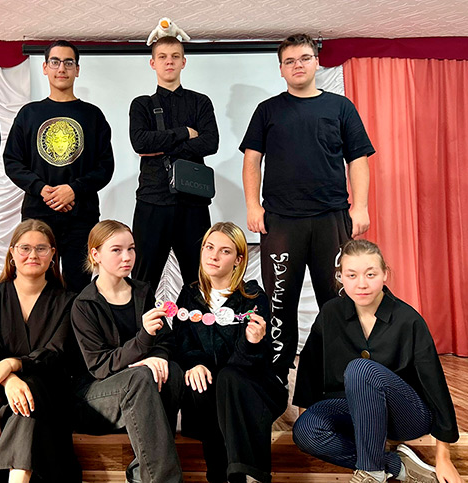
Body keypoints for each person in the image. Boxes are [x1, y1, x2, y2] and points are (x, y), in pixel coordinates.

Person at [239, 33, 375, 377]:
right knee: (279, 301)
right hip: (281, 221)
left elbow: (358, 159)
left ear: (316, 62)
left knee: (338, 298)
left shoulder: (340, 107)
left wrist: (360, 207)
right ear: (281, 69)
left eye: (303, 58)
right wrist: (253, 206)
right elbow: (252, 160)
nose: (297, 65)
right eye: (289, 61)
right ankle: (277, 374)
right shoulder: (267, 110)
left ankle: (342, 373)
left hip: (332, 217)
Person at [292, 239, 462, 483]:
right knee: (306, 430)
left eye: (370, 274)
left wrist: (443, 457)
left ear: (384, 274)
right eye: (351, 275)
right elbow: (309, 373)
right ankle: (398, 466)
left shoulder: (408, 320)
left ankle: (371, 473)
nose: (361, 284)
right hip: (353, 412)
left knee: (361, 369)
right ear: (341, 277)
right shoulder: (330, 314)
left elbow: (435, 387)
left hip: (404, 417)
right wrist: (312, 418)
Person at [0, 219, 81, 483]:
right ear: (12, 252)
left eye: (41, 248)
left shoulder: (69, 301)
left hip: (48, 390)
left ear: (53, 255)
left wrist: (11, 364)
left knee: (29, 395)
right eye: (25, 248)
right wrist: (8, 379)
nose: (33, 255)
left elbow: (56, 353)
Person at [173, 222, 287, 483]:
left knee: (228, 377)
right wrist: (195, 363)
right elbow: (182, 342)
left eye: (224, 251)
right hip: (211, 392)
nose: (213, 256)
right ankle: (221, 474)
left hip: (249, 386)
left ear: (238, 260)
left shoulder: (253, 297)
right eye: (209, 247)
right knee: (201, 382)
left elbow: (259, 361)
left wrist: (251, 343)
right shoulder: (188, 295)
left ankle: (244, 475)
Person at [71, 220, 183, 483]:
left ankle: (142, 473)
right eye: (116, 250)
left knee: (171, 371)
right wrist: (143, 343)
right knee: (141, 376)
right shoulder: (84, 304)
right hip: (95, 400)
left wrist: (158, 356)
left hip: (138, 393)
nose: (127, 257)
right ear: (95, 254)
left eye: (131, 249)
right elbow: (99, 366)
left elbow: (165, 340)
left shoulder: (142, 291)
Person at [4, 40, 114, 294]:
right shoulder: (29, 114)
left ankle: (77, 323)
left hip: (81, 215)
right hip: (38, 215)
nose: (61, 68)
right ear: (45, 68)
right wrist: (42, 189)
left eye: (68, 62)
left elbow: (105, 167)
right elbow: (12, 161)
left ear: (77, 69)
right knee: (38, 283)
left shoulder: (93, 115)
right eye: (55, 62)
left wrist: (73, 190)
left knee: (79, 286)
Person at [129, 36, 219, 293]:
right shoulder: (142, 104)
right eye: (162, 57)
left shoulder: (200, 102)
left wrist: (162, 146)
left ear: (183, 62)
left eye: (175, 56)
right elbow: (140, 142)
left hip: (193, 201)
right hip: (152, 200)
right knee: (143, 280)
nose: (169, 62)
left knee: (199, 280)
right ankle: (143, 322)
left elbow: (210, 143)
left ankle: (196, 321)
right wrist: (184, 133)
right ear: (153, 63)